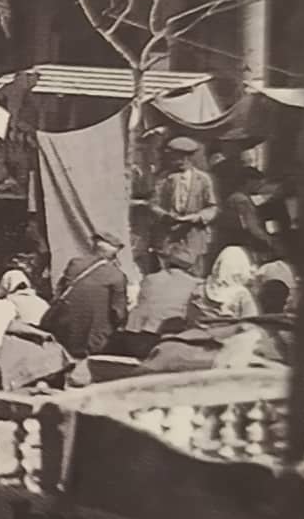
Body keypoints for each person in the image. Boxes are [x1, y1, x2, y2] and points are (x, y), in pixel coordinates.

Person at [41, 232, 129, 360]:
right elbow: (118, 312)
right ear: (114, 255)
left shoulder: (75, 264)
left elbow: (59, 292)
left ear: (93, 247)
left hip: (62, 330)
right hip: (92, 341)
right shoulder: (117, 276)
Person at [150, 136, 217, 274]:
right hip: (168, 237)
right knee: (167, 273)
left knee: (193, 274)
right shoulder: (163, 179)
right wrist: (165, 215)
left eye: (185, 158)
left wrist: (197, 217)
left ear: (191, 158)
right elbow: (153, 204)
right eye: (176, 158)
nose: (181, 162)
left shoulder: (203, 179)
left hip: (193, 236)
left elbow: (212, 207)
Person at [122, 246, 200, 356]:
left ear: (167, 262)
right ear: (191, 267)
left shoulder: (150, 279)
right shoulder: (195, 284)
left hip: (137, 334)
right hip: (168, 337)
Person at [187, 246, 259, 327]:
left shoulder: (200, 289)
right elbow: (251, 323)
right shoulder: (242, 294)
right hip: (230, 333)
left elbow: (190, 317)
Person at [213, 166, 274, 261]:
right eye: (257, 182)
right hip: (241, 243)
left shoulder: (234, 197)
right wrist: (268, 240)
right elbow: (252, 226)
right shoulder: (241, 200)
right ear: (249, 181)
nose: (259, 186)